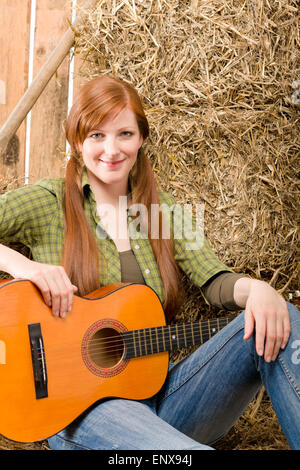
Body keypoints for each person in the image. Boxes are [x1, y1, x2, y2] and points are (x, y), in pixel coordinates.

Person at [0, 75, 299, 450]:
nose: (111, 149)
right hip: (80, 412)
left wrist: (260, 289)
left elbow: (214, 280)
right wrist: (24, 267)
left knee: (284, 318)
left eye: (124, 134)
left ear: (141, 138)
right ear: (77, 142)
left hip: (163, 403)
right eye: (96, 135)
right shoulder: (48, 201)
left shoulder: (164, 211)